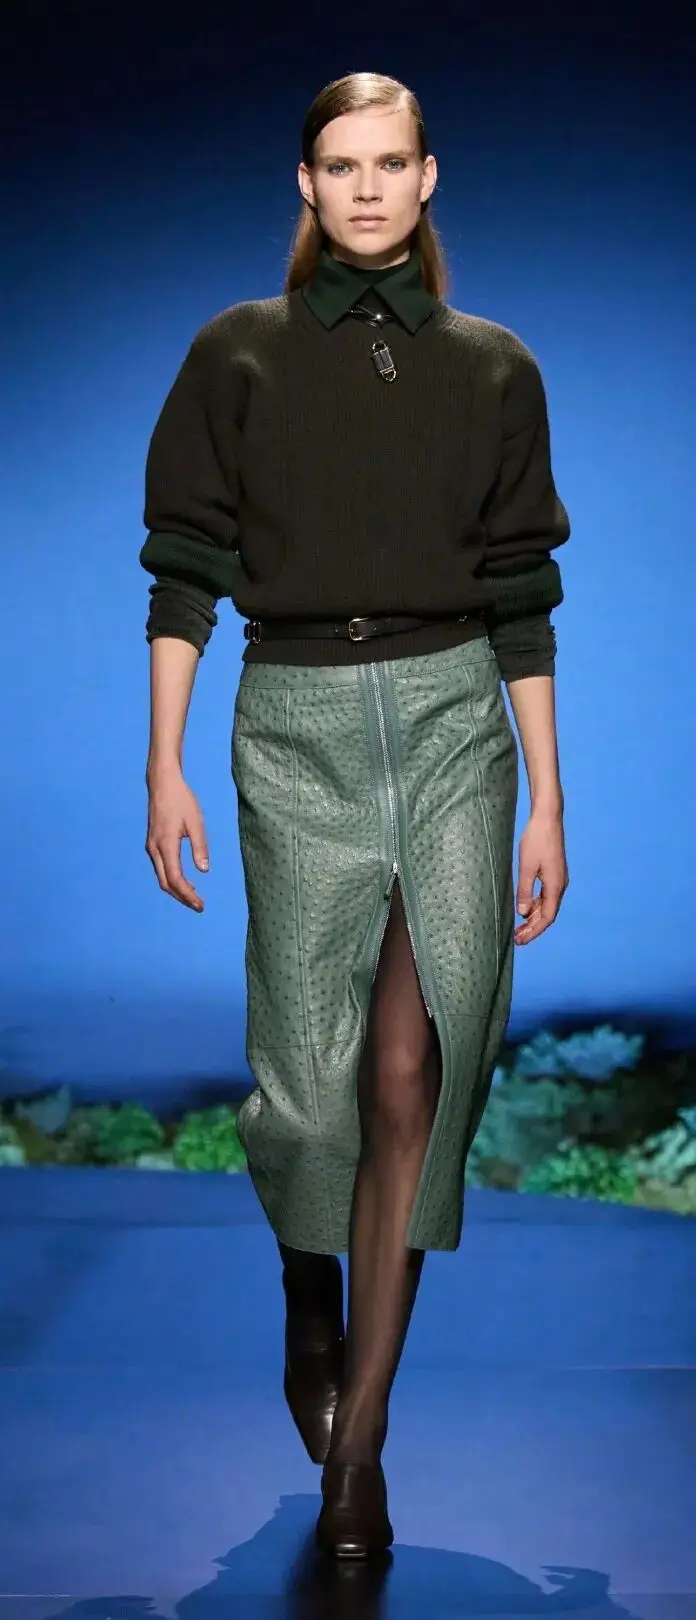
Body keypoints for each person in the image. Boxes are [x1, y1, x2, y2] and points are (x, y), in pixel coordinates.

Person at [140, 71, 571, 1560]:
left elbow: (523, 594)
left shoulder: (495, 369)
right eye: (343, 165)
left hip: (456, 725)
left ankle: (360, 1455)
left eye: (392, 164)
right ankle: (303, 1288)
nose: (369, 189)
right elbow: (184, 565)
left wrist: (548, 801)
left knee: (410, 1070)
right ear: (308, 184)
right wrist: (163, 763)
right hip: (297, 726)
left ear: (428, 177)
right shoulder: (237, 355)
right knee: (309, 1088)